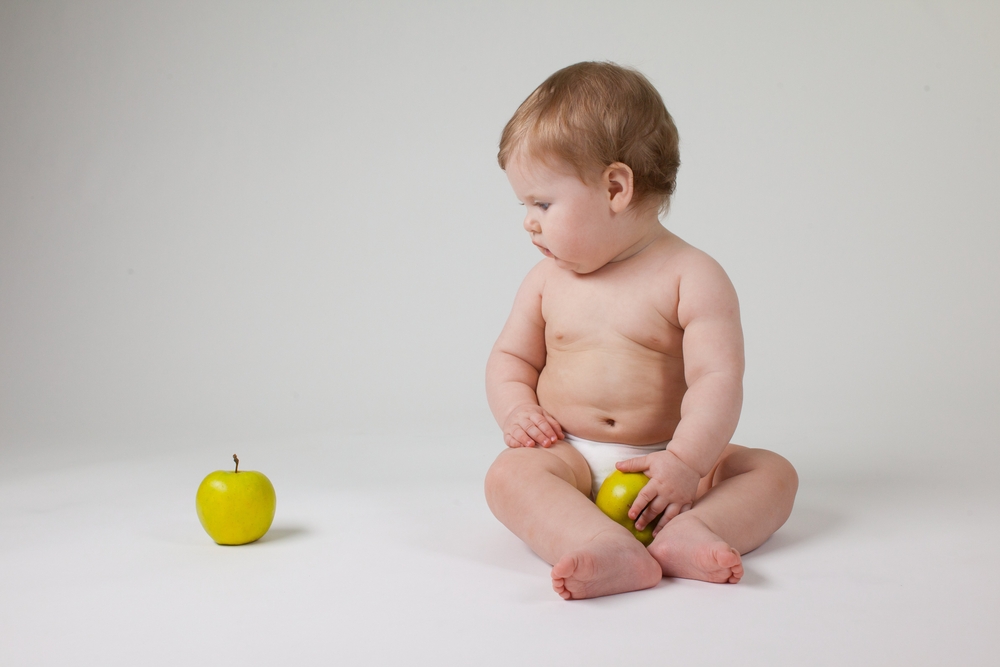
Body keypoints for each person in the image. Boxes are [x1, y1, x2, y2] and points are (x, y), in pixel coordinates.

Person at [484, 62, 798, 600]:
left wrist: (685, 463)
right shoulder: (544, 281)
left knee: (772, 474)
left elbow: (716, 381)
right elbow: (510, 359)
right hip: (570, 458)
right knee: (508, 476)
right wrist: (517, 411)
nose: (528, 221)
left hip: (669, 463)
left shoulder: (692, 277)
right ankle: (598, 541)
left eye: (542, 203)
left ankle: (693, 530)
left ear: (615, 187)